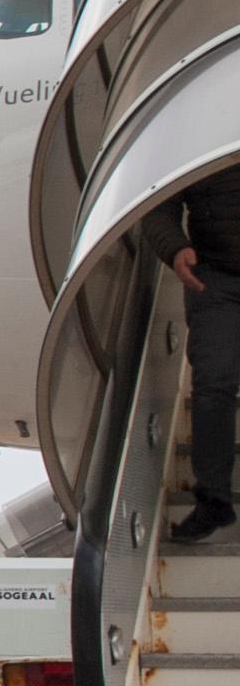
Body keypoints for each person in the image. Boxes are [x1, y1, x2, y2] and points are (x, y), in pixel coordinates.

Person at [148, 167, 240, 541]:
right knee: (214, 385)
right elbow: (158, 203)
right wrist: (174, 247)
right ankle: (213, 503)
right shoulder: (198, 126)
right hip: (214, 279)